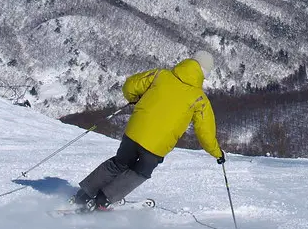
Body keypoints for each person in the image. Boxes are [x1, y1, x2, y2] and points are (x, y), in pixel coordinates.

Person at [73, 50, 224, 210]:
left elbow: (130, 86)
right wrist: (217, 153)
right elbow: (205, 133)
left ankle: (84, 195)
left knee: (118, 163)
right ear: (204, 73)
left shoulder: (160, 75)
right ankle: (104, 200)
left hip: (133, 133)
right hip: (156, 146)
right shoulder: (199, 99)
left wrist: (135, 99)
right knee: (140, 172)